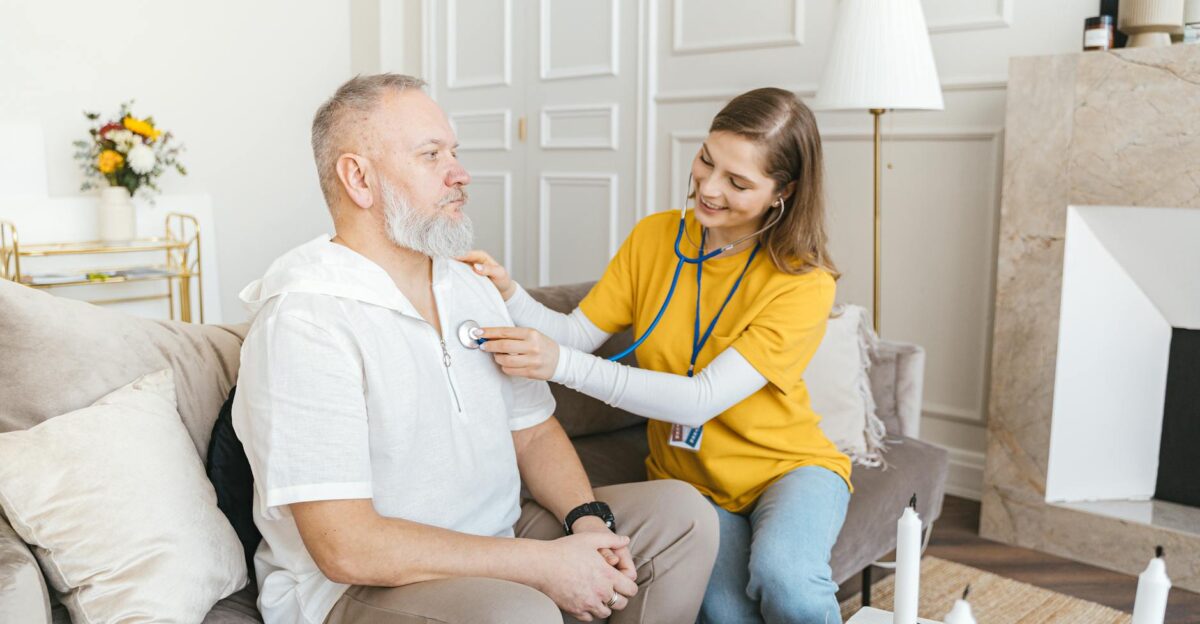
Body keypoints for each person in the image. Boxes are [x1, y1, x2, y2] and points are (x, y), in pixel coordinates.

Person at [231, 73, 718, 624]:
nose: (460, 174)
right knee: (518, 612)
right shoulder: (306, 318)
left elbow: (532, 432)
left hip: (500, 534)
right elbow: (348, 546)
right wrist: (539, 566)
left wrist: (587, 522)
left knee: (682, 515)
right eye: (431, 154)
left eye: (454, 152)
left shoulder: (468, 285)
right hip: (362, 588)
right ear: (358, 178)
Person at [463, 87, 852, 624]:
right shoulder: (655, 237)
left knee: (786, 579)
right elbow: (575, 333)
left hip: (786, 469)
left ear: (781, 192)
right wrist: (510, 293)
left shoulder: (802, 283)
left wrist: (560, 365)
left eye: (738, 182)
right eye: (706, 161)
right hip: (687, 479)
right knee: (723, 613)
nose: (709, 189)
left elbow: (700, 400)